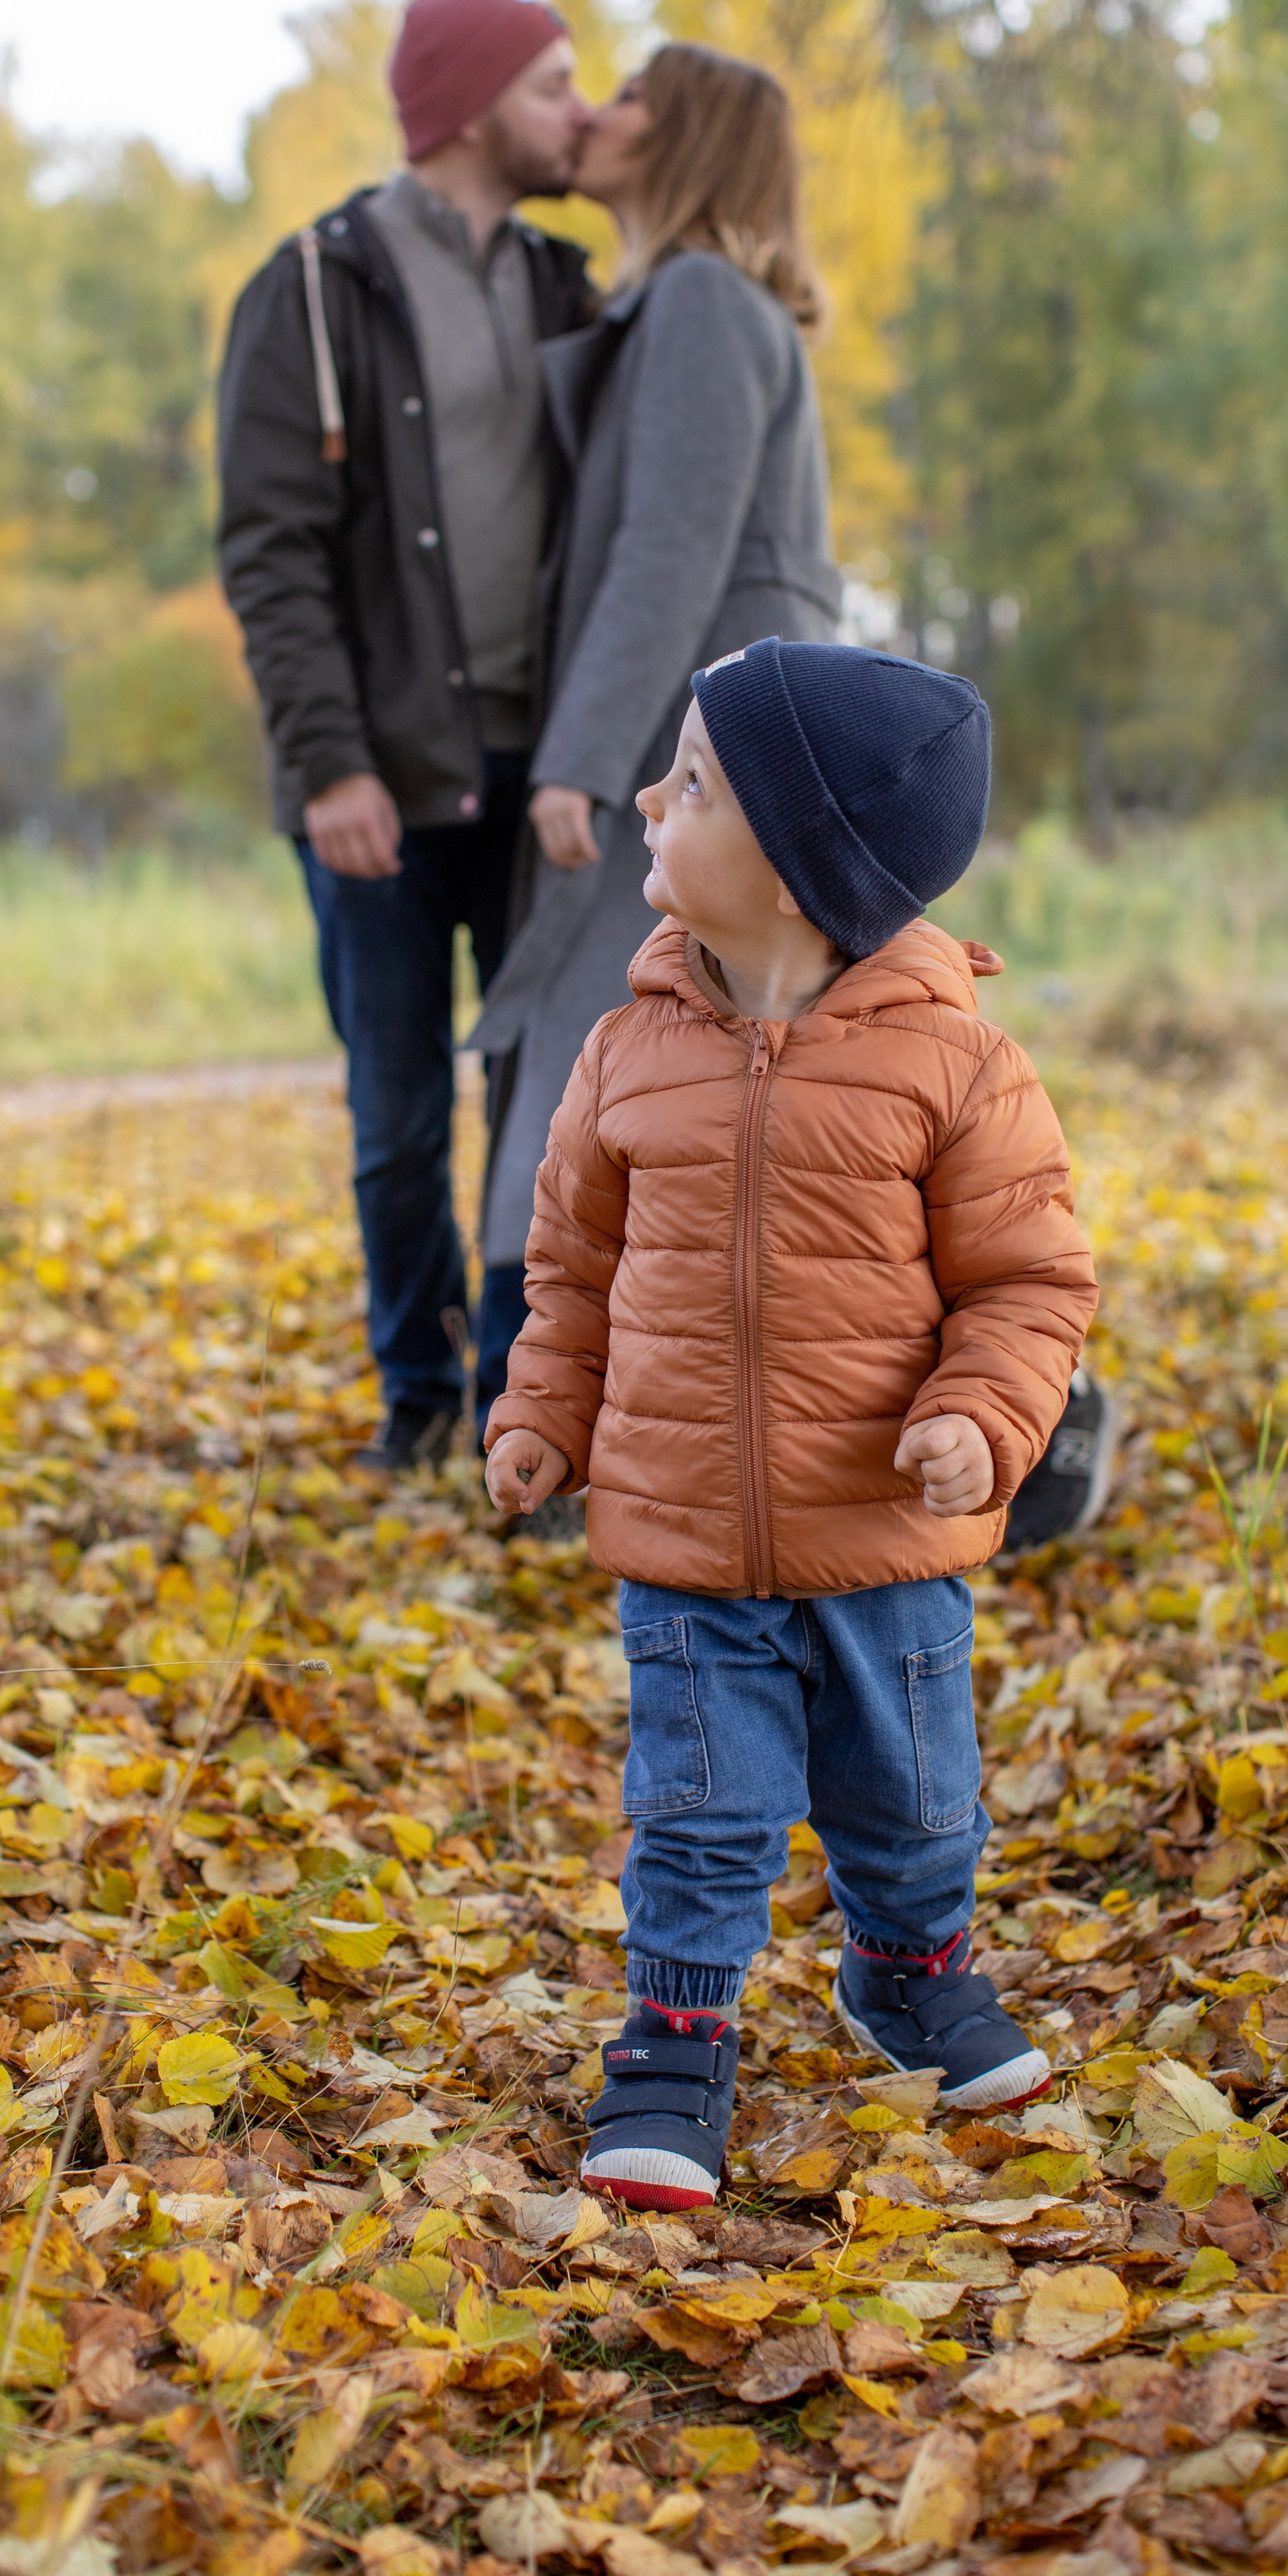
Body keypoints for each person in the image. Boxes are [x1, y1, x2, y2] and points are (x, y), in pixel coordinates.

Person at [483, 639, 1099, 2207]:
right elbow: (571, 1270)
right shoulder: (625, 1052)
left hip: (885, 1538)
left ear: (799, 861)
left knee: (910, 1801)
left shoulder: (951, 1062)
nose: (644, 796)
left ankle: (905, 1968)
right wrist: (541, 1413)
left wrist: (981, 1417)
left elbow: (1028, 1284)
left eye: (688, 781)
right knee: (699, 1814)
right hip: (685, 1536)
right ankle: (674, 2040)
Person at [217, 0, 597, 1473]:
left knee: (544, 1102)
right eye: (555, 85)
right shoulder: (314, 287)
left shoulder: (571, 287)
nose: (577, 112)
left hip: (541, 774)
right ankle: (419, 1406)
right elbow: (270, 547)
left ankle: (525, 1404)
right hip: (376, 778)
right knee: (394, 1109)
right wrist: (328, 762)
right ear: (468, 102)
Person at [469, 43, 842, 1439]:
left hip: (707, 755)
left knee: (632, 1054)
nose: (593, 114)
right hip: (713, 745)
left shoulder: (696, 302)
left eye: (626, 97)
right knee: (705, 1073)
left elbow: (670, 554)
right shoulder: (684, 307)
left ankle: (560, 1419)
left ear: (681, 143)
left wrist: (580, 759)